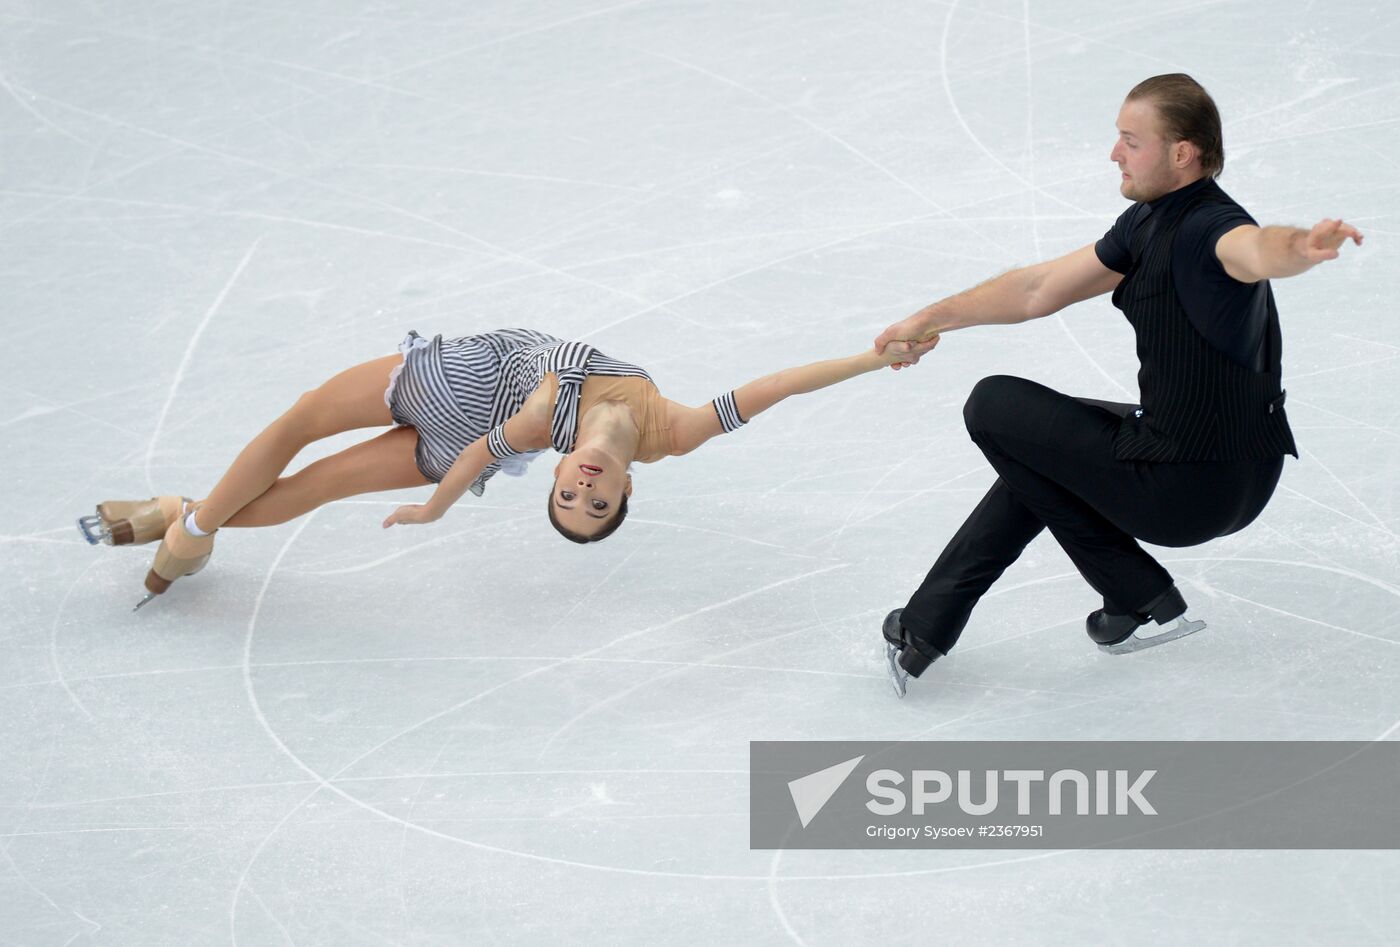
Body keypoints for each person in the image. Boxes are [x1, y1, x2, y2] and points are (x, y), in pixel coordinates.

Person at [875, 73, 1363, 698]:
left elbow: (1258, 251)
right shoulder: (1149, 223)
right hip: (1241, 472)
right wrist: (930, 319)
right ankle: (930, 626)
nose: (1114, 154)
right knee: (1042, 448)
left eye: (1131, 141)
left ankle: (1134, 586)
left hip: (1186, 487)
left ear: (1182, 152)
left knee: (993, 405)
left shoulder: (1212, 230)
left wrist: (1300, 245)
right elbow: (1036, 289)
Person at [80, 328, 936, 609]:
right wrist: (871, 359)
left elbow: (493, 453)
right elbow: (771, 389)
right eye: (593, 503)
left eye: (568, 499)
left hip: (470, 418)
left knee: (316, 479)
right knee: (304, 421)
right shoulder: (675, 432)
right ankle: (183, 525)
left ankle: (188, 520)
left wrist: (438, 510)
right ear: (628, 488)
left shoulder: (546, 429)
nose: (581, 487)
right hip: (464, 375)